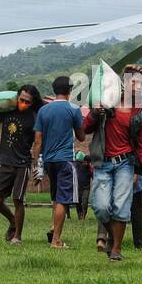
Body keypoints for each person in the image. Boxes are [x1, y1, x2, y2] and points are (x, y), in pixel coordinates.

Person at [85, 65, 142, 261]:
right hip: (103, 163)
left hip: (126, 163)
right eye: (134, 82)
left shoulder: (141, 114)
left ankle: (116, 249)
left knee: (121, 207)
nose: (138, 87)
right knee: (100, 207)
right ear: (124, 83)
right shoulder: (107, 105)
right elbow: (85, 128)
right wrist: (94, 112)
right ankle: (112, 238)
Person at [0, 84, 42, 244]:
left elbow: (38, 142)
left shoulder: (35, 117)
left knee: (18, 200)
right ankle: (13, 222)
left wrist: (37, 164)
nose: (23, 103)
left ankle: (17, 237)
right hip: (5, 162)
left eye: (27, 101)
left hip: (22, 163)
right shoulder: (8, 110)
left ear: (33, 102)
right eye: (21, 100)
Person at [33, 75, 86, 248]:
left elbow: (38, 141)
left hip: (49, 161)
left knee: (56, 197)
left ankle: (52, 227)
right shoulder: (73, 109)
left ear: (55, 90)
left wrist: (36, 163)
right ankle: (56, 240)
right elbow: (81, 136)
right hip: (66, 160)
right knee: (63, 199)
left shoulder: (43, 111)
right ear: (70, 90)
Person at [74, 151, 92, 221]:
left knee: (85, 202)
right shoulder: (78, 165)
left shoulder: (90, 168)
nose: (87, 163)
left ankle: (83, 216)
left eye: (89, 162)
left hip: (86, 188)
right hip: (78, 187)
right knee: (78, 202)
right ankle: (79, 214)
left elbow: (93, 176)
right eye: (86, 162)